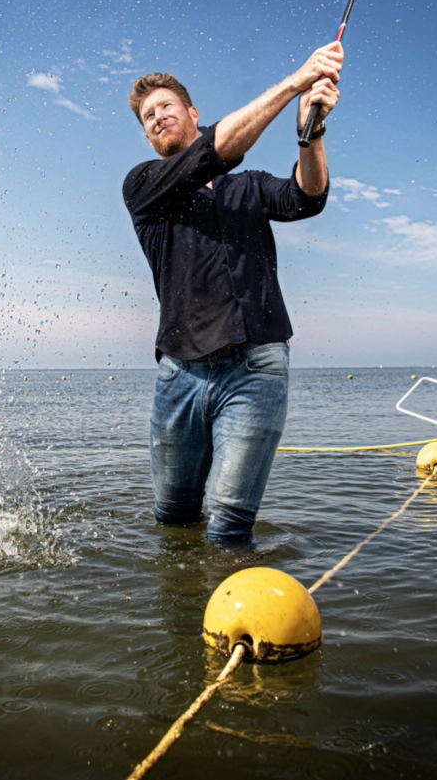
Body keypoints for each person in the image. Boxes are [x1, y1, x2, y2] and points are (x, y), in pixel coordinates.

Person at [122, 42, 343, 545]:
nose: (156, 118)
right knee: (172, 519)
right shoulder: (144, 187)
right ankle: (178, 614)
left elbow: (306, 198)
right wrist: (295, 81)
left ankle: (229, 620)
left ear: (193, 113)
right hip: (178, 373)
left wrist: (311, 130)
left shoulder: (249, 186)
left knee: (228, 529)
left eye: (165, 108)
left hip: (256, 369)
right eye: (147, 116)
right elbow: (215, 150)